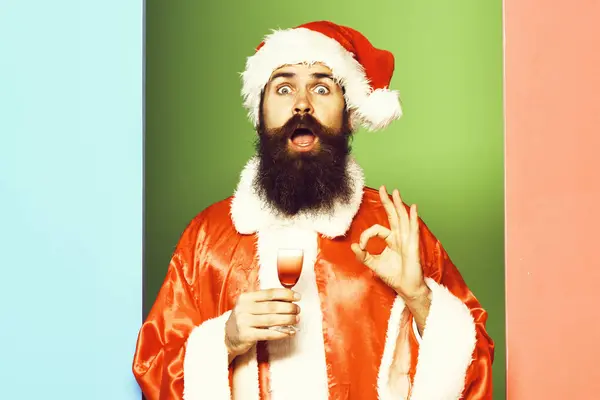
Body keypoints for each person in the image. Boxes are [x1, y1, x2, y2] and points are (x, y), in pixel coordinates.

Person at [132, 20, 494, 400]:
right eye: (284, 88)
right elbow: (155, 364)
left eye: (321, 88)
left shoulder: (391, 230)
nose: (302, 103)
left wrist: (420, 297)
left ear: (348, 114)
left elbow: (476, 360)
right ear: (260, 112)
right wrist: (224, 340)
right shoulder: (208, 236)